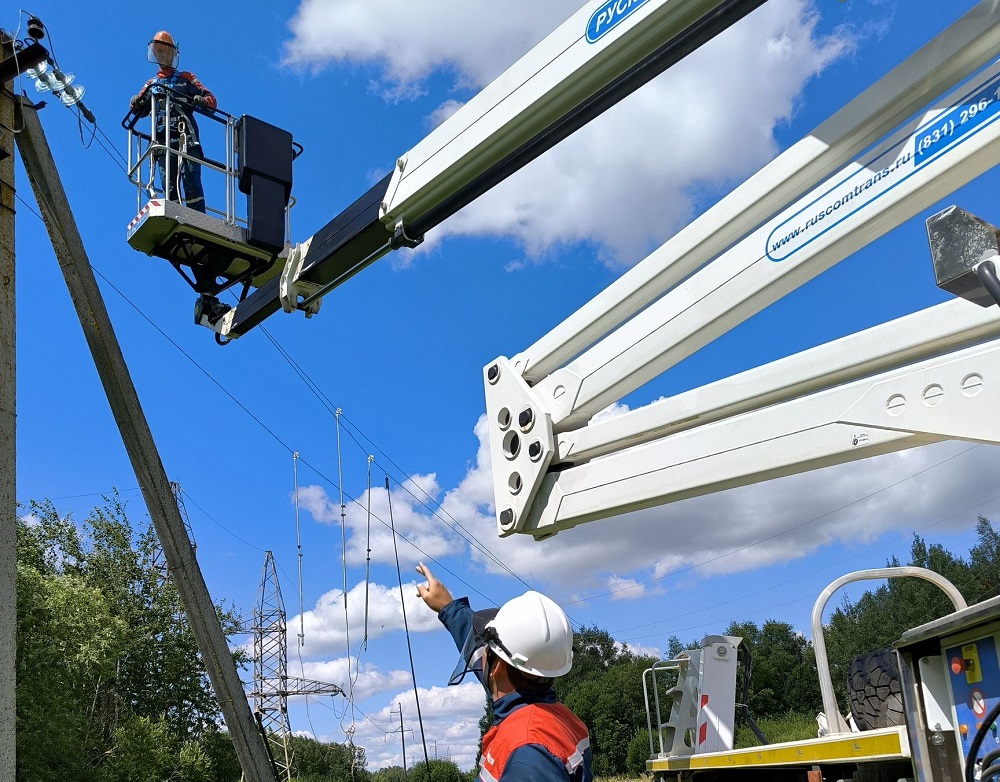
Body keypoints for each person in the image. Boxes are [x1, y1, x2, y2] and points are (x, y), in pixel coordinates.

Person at [415, 562, 592, 782]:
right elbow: (488, 658)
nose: (481, 655)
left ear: (496, 667)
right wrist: (448, 607)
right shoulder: (551, 716)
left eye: (488, 650)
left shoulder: (528, 751)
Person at [130, 31, 216, 213]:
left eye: (166, 51)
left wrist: (202, 101)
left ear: (173, 53)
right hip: (162, 139)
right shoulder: (152, 84)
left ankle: (197, 216)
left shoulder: (186, 78)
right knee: (168, 183)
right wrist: (135, 101)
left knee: (191, 178)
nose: (163, 55)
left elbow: (210, 99)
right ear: (154, 54)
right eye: (159, 52)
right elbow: (137, 109)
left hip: (186, 135)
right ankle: (176, 214)